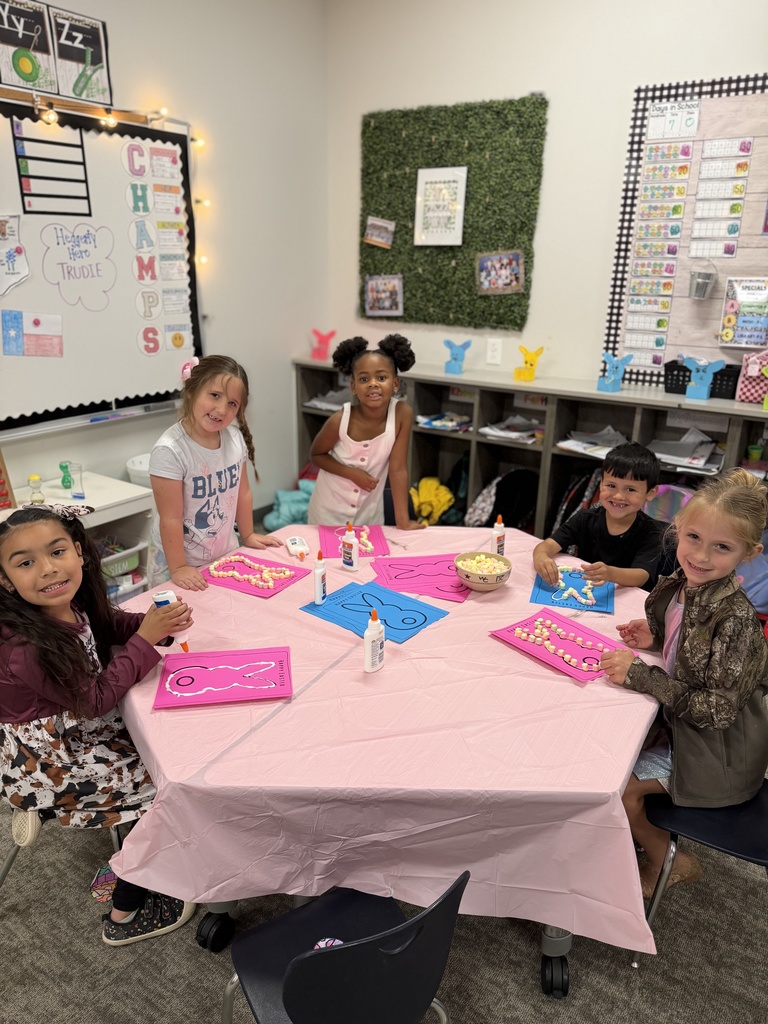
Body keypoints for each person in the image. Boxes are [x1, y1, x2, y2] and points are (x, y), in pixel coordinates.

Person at [0, 504, 196, 945]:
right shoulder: (25, 645)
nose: (48, 570)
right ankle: (123, 913)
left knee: (167, 749)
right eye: (26, 562)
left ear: (79, 553)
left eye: (56, 552)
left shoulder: (70, 602)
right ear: (5, 580)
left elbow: (105, 626)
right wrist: (145, 639)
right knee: (170, 785)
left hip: (80, 732)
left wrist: (151, 628)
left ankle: (132, 850)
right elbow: (95, 701)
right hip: (54, 760)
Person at [601, 469, 768, 897]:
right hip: (678, 727)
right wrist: (655, 636)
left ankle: (668, 860)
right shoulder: (683, 585)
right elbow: (689, 646)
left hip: (718, 754)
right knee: (598, 751)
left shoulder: (736, 620)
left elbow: (717, 711)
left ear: (749, 554)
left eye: (722, 547)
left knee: (617, 790)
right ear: (678, 529)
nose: (701, 556)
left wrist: (643, 676)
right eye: (693, 538)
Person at [148, 354, 282, 591]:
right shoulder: (170, 450)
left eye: (232, 403)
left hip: (223, 551)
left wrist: (248, 534)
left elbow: (243, 494)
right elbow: (170, 518)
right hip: (178, 562)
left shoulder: (234, 438)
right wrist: (179, 567)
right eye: (214, 396)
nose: (221, 409)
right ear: (191, 390)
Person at [307, 334, 425, 530]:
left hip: (369, 513)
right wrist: (352, 474)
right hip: (328, 513)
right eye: (364, 379)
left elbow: (398, 469)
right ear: (353, 386)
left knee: (368, 557)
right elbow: (316, 455)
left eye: (381, 377)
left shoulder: (402, 413)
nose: (373, 383)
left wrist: (402, 521)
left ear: (395, 384)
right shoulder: (340, 419)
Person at [533, 442, 662, 590]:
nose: (619, 496)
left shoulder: (652, 531)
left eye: (630, 489)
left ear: (651, 493)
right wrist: (541, 557)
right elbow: (547, 545)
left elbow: (641, 576)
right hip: (585, 592)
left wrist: (610, 574)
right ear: (601, 485)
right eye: (611, 486)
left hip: (626, 599)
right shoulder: (586, 518)